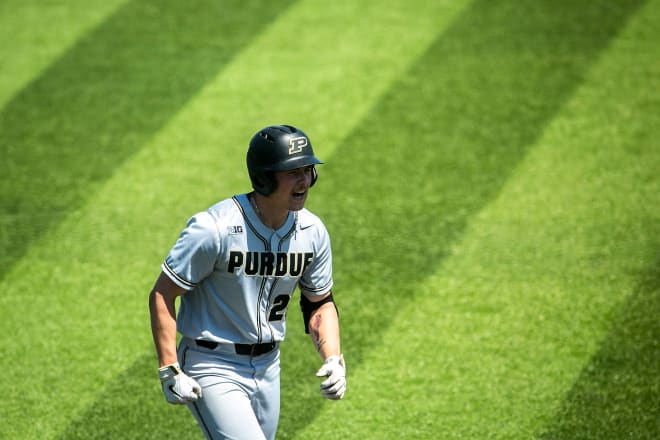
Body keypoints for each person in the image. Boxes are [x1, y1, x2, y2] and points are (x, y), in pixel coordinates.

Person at [148, 124, 345, 440]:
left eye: (307, 170)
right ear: (265, 177)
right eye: (292, 172)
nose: (304, 180)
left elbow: (319, 301)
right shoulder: (215, 229)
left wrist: (333, 358)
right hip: (212, 363)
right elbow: (162, 293)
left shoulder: (312, 232)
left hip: (269, 366)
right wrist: (169, 368)